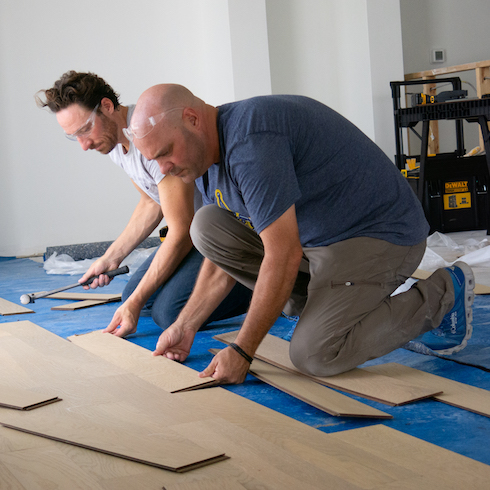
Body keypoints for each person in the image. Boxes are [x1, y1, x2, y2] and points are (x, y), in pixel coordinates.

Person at [127, 83, 475, 385]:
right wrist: (186, 324)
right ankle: (325, 306)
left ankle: (444, 294)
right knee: (206, 226)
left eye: (165, 153)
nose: (164, 169)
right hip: (317, 239)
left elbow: (283, 254)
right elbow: (221, 262)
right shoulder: (200, 157)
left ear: (192, 119)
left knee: (315, 354)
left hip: (377, 234)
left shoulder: (251, 143)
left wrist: (242, 350)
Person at [35, 72, 252, 345]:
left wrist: (135, 304)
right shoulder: (114, 144)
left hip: (212, 234)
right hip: (192, 233)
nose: (84, 145)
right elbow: (151, 202)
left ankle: (256, 284)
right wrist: (111, 257)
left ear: (106, 106)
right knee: (132, 297)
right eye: (73, 136)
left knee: (167, 312)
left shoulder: (148, 135)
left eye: (85, 130)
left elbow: (181, 231)